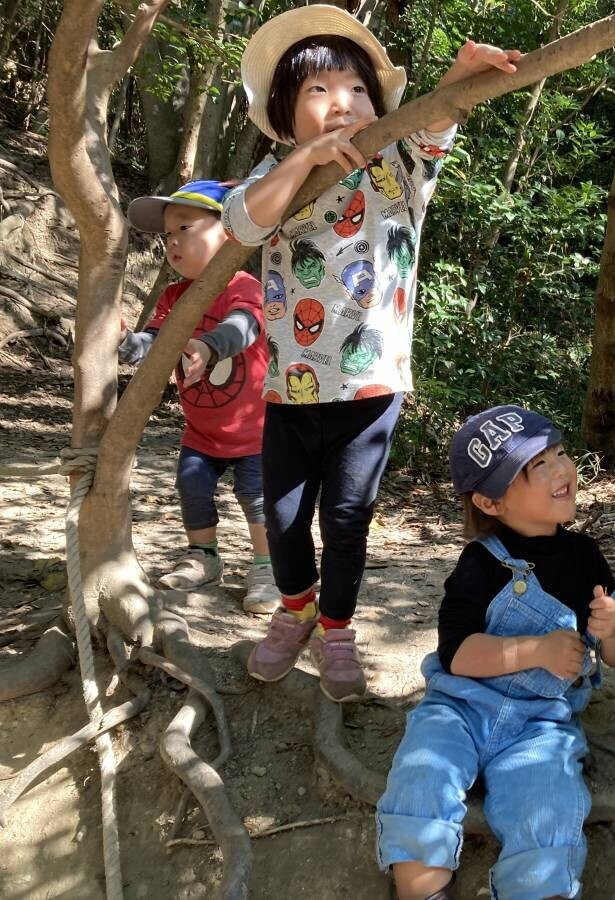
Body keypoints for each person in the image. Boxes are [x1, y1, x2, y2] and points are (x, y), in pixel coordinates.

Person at [221, 5, 521, 700]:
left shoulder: (399, 168)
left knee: (347, 519)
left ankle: (336, 629)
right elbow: (242, 222)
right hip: (290, 390)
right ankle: (294, 606)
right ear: (284, 112)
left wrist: (459, 77)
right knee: (286, 517)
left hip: (368, 389)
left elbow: (439, 122)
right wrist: (303, 162)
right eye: (318, 92)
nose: (342, 103)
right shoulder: (277, 175)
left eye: (356, 88)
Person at [376, 405, 615, 900]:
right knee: (422, 773)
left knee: (551, 804)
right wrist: (535, 650)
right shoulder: (480, 562)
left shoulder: (586, 558)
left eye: (560, 452)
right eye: (538, 466)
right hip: (460, 708)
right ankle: (422, 890)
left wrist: (614, 628)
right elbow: (457, 655)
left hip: (542, 724)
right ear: (490, 502)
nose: (562, 469)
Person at [119, 179, 277, 614]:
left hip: (256, 431)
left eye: (184, 228)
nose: (172, 242)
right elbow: (153, 343)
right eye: (168, 235)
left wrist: (208, 346)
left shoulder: (243, 285)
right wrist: (125, 343)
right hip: (202, 431)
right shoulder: (173, 297)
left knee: (257, 496)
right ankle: (204, 555)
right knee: (191, 484)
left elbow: (245, 326)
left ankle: (267, 567)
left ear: (228, 230)